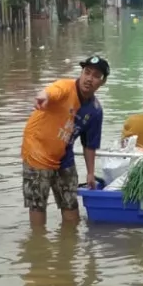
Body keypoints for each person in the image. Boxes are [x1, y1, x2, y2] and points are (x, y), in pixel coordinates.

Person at [20, 55, 107, 227]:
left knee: (70, 204)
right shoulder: (66, 87)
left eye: (96, 75)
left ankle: (69, 247)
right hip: (37, 150)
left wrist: (90, 173)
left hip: (63, 154)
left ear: (102, 82)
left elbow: (89, 144)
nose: (89, 79)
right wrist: (43, 95)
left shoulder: (95, 111)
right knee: (37, 205)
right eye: (87, 72)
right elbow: (53, 91)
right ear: (81, 73)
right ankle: (39, 242)